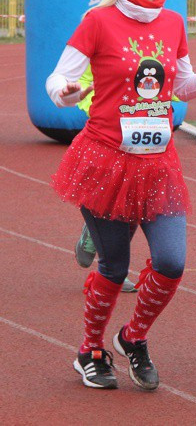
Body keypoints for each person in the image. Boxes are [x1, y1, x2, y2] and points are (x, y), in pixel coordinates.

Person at [46, 0, 196, 391]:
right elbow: (58, 77)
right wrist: (66, 93)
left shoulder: (173, 22)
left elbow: (181, 87)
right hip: (105, 161)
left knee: (172, 261)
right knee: (115, 267)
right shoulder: (97, 21)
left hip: (158, 163)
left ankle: (132, 337)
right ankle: (90, 349)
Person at [73, 66, 137, 293]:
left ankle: (113, 266)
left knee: (135, 202)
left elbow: (174, 82)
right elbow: (82, 79)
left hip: (145, 130)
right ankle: (107, 260)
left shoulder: (156, 39)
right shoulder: (103, 35)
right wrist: (101, 107)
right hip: (108, 132)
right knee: (108, 194)